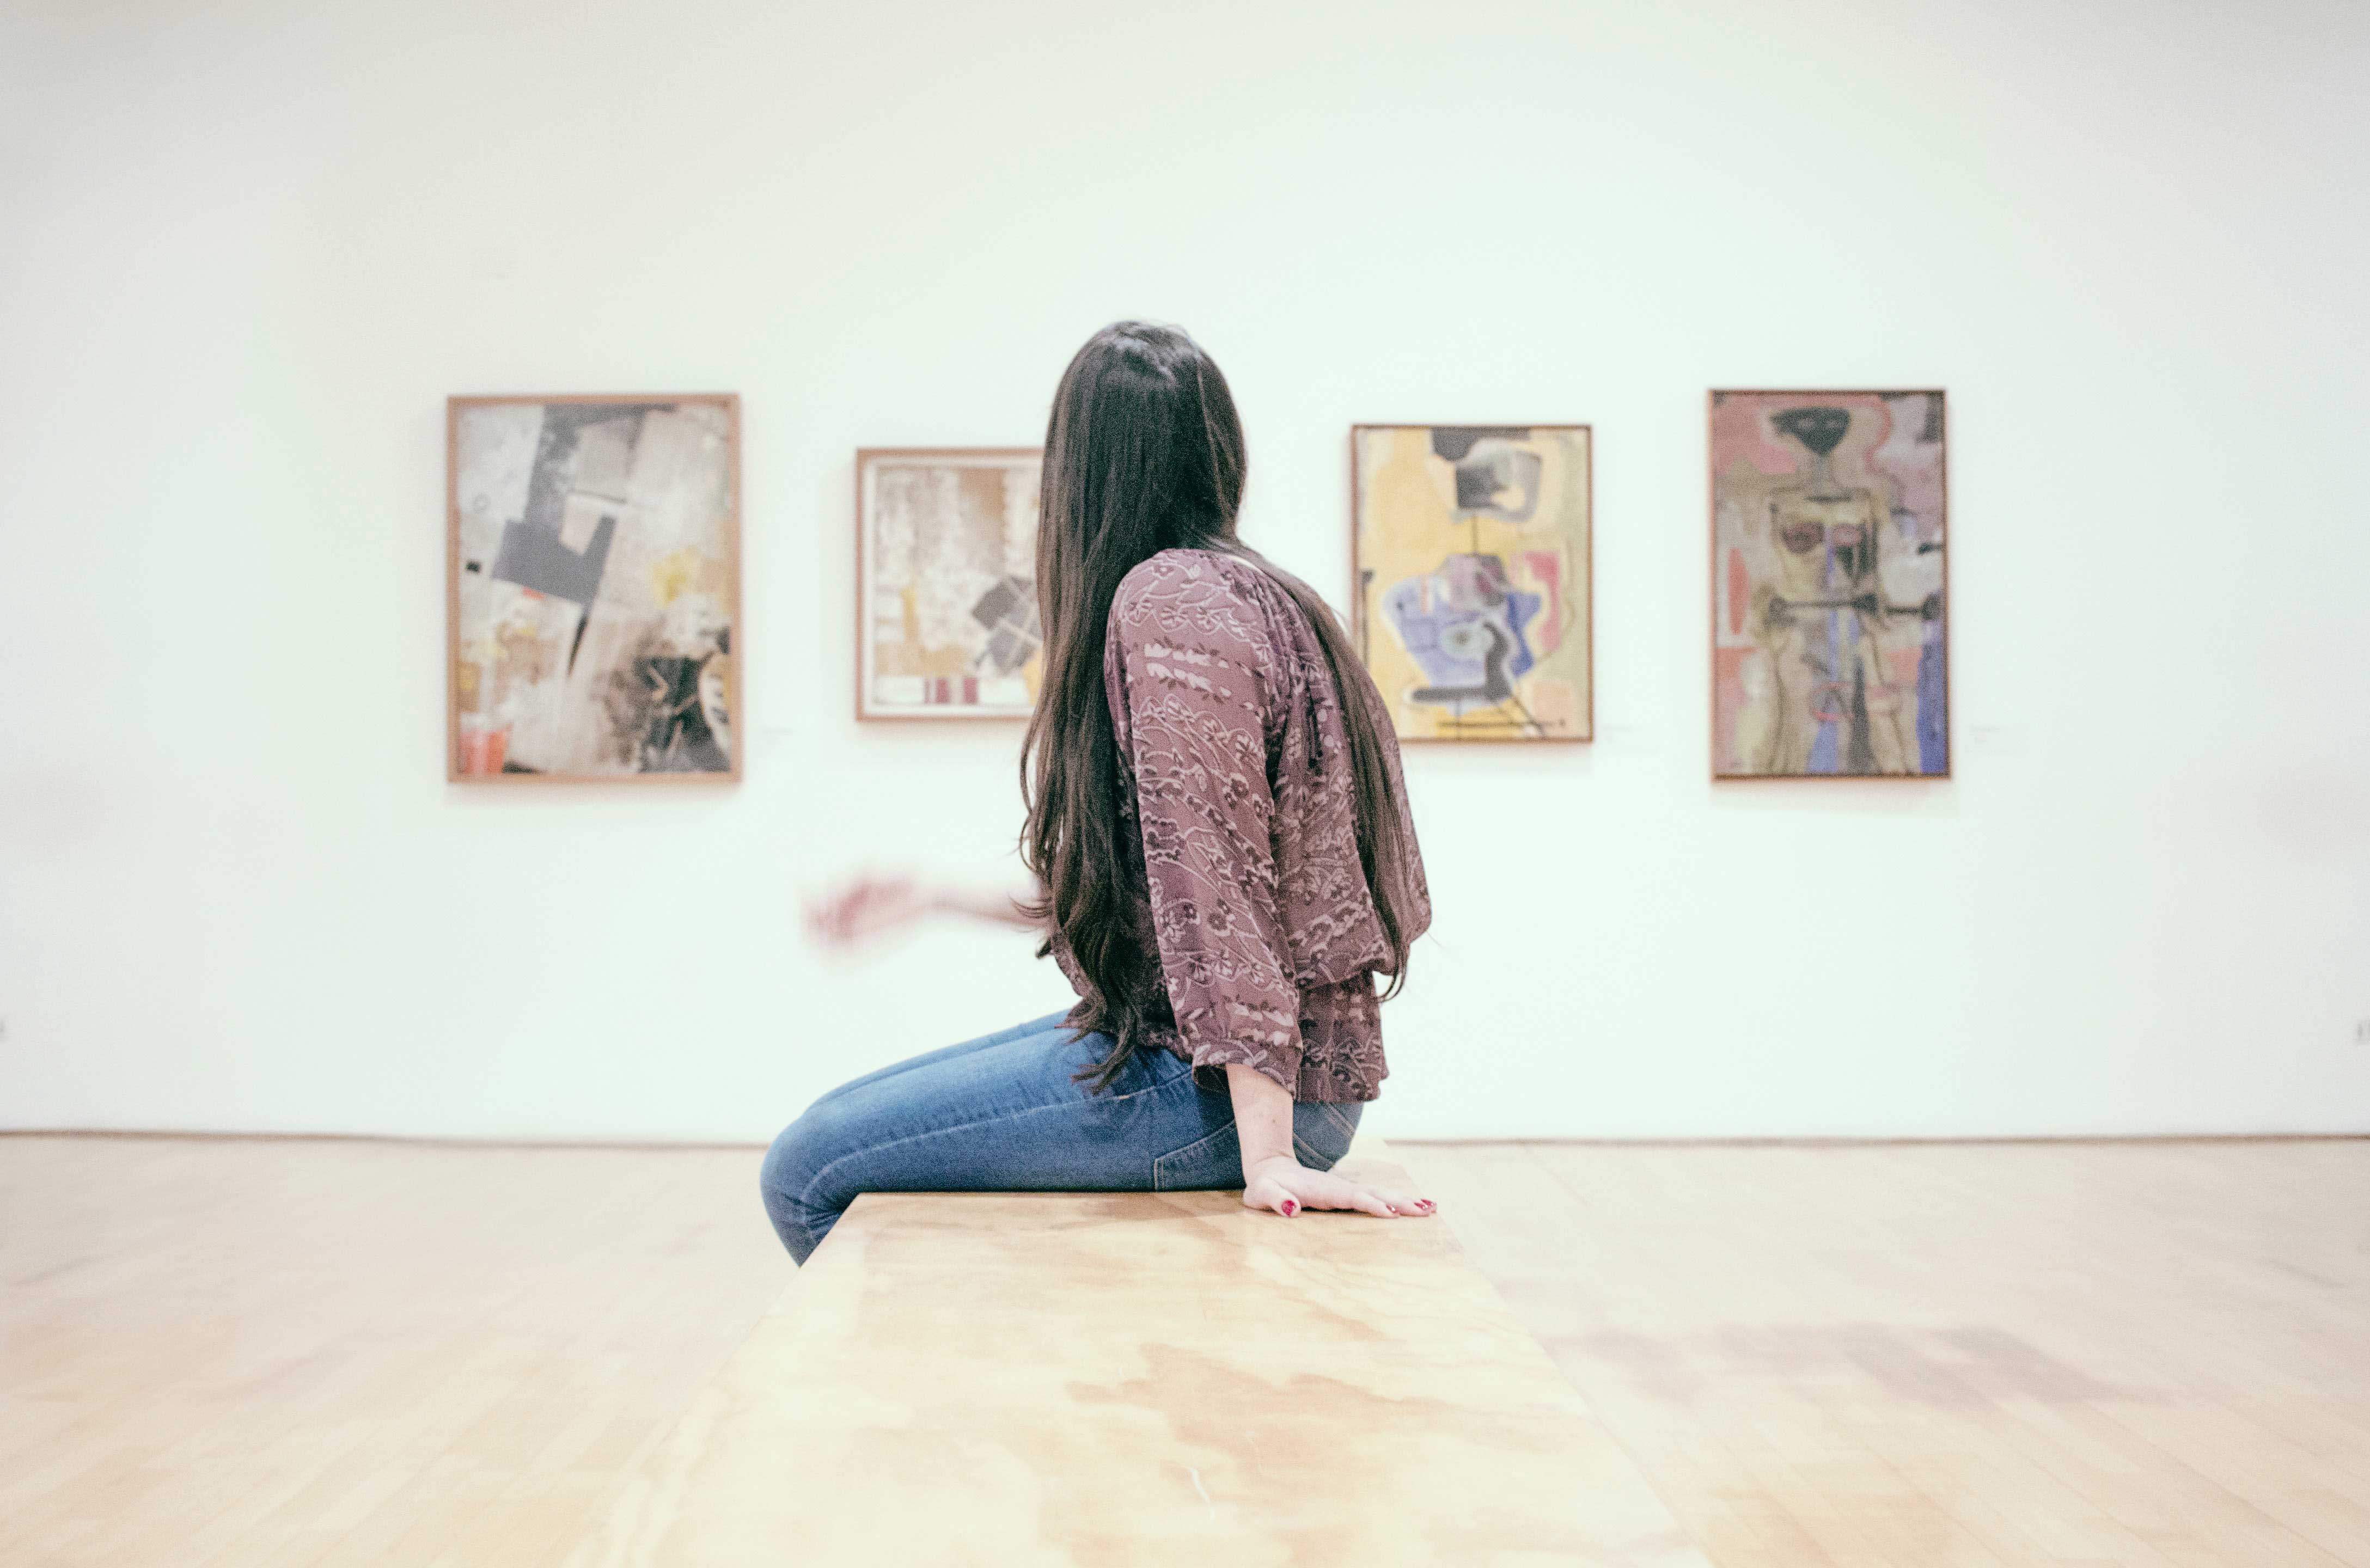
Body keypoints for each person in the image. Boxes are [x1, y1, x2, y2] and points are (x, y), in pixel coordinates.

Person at [759, 322, 1437, 1265]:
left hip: (1221, 1094)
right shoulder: (1256, 593)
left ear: (1078, 469)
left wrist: (1272, 1155)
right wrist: (934, 895)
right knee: (831, 1132)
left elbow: (1217, 885)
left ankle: (961, 1402)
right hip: (1230, 1070)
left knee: (807, 1169)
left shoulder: (1169, 604)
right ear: (1218, 451)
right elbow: (1166, 893)